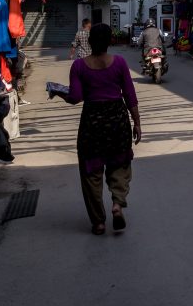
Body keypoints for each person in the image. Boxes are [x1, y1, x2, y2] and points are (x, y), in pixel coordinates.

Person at [55, 23, 141, 235]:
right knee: (119, 165)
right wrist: (137, 122)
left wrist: (57, 92)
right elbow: (130, 95)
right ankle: (117, 204)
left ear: (90, 41)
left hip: (92, 123)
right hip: (117, 120)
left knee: (91, 171)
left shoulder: (79, 66)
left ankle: (99, 222)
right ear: (110, 41)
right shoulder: (120, 63)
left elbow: (75, 97)